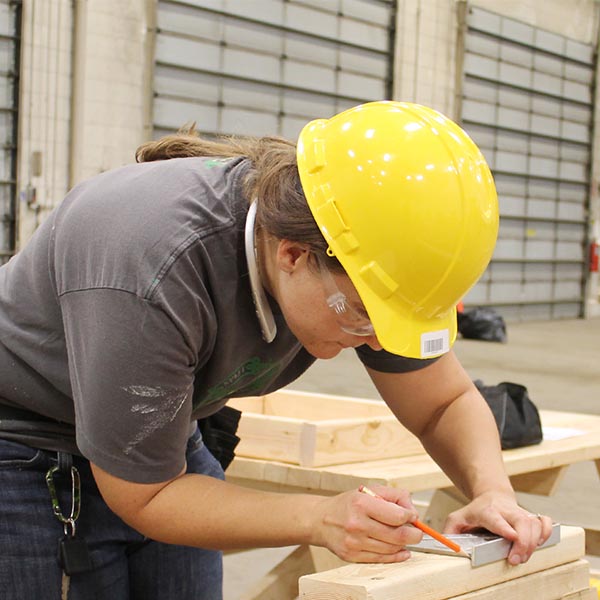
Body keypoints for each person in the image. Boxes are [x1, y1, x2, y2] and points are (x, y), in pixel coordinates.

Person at [0, 101, 552, 599]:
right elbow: (147, 494)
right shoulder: (154, 267)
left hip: (162, 427)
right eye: (368, 318)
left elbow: (442, 402)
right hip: (25, 435)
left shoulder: (357, 246)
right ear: (292, 255)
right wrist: (322, 518)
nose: (380, 344)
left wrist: (492, 492)